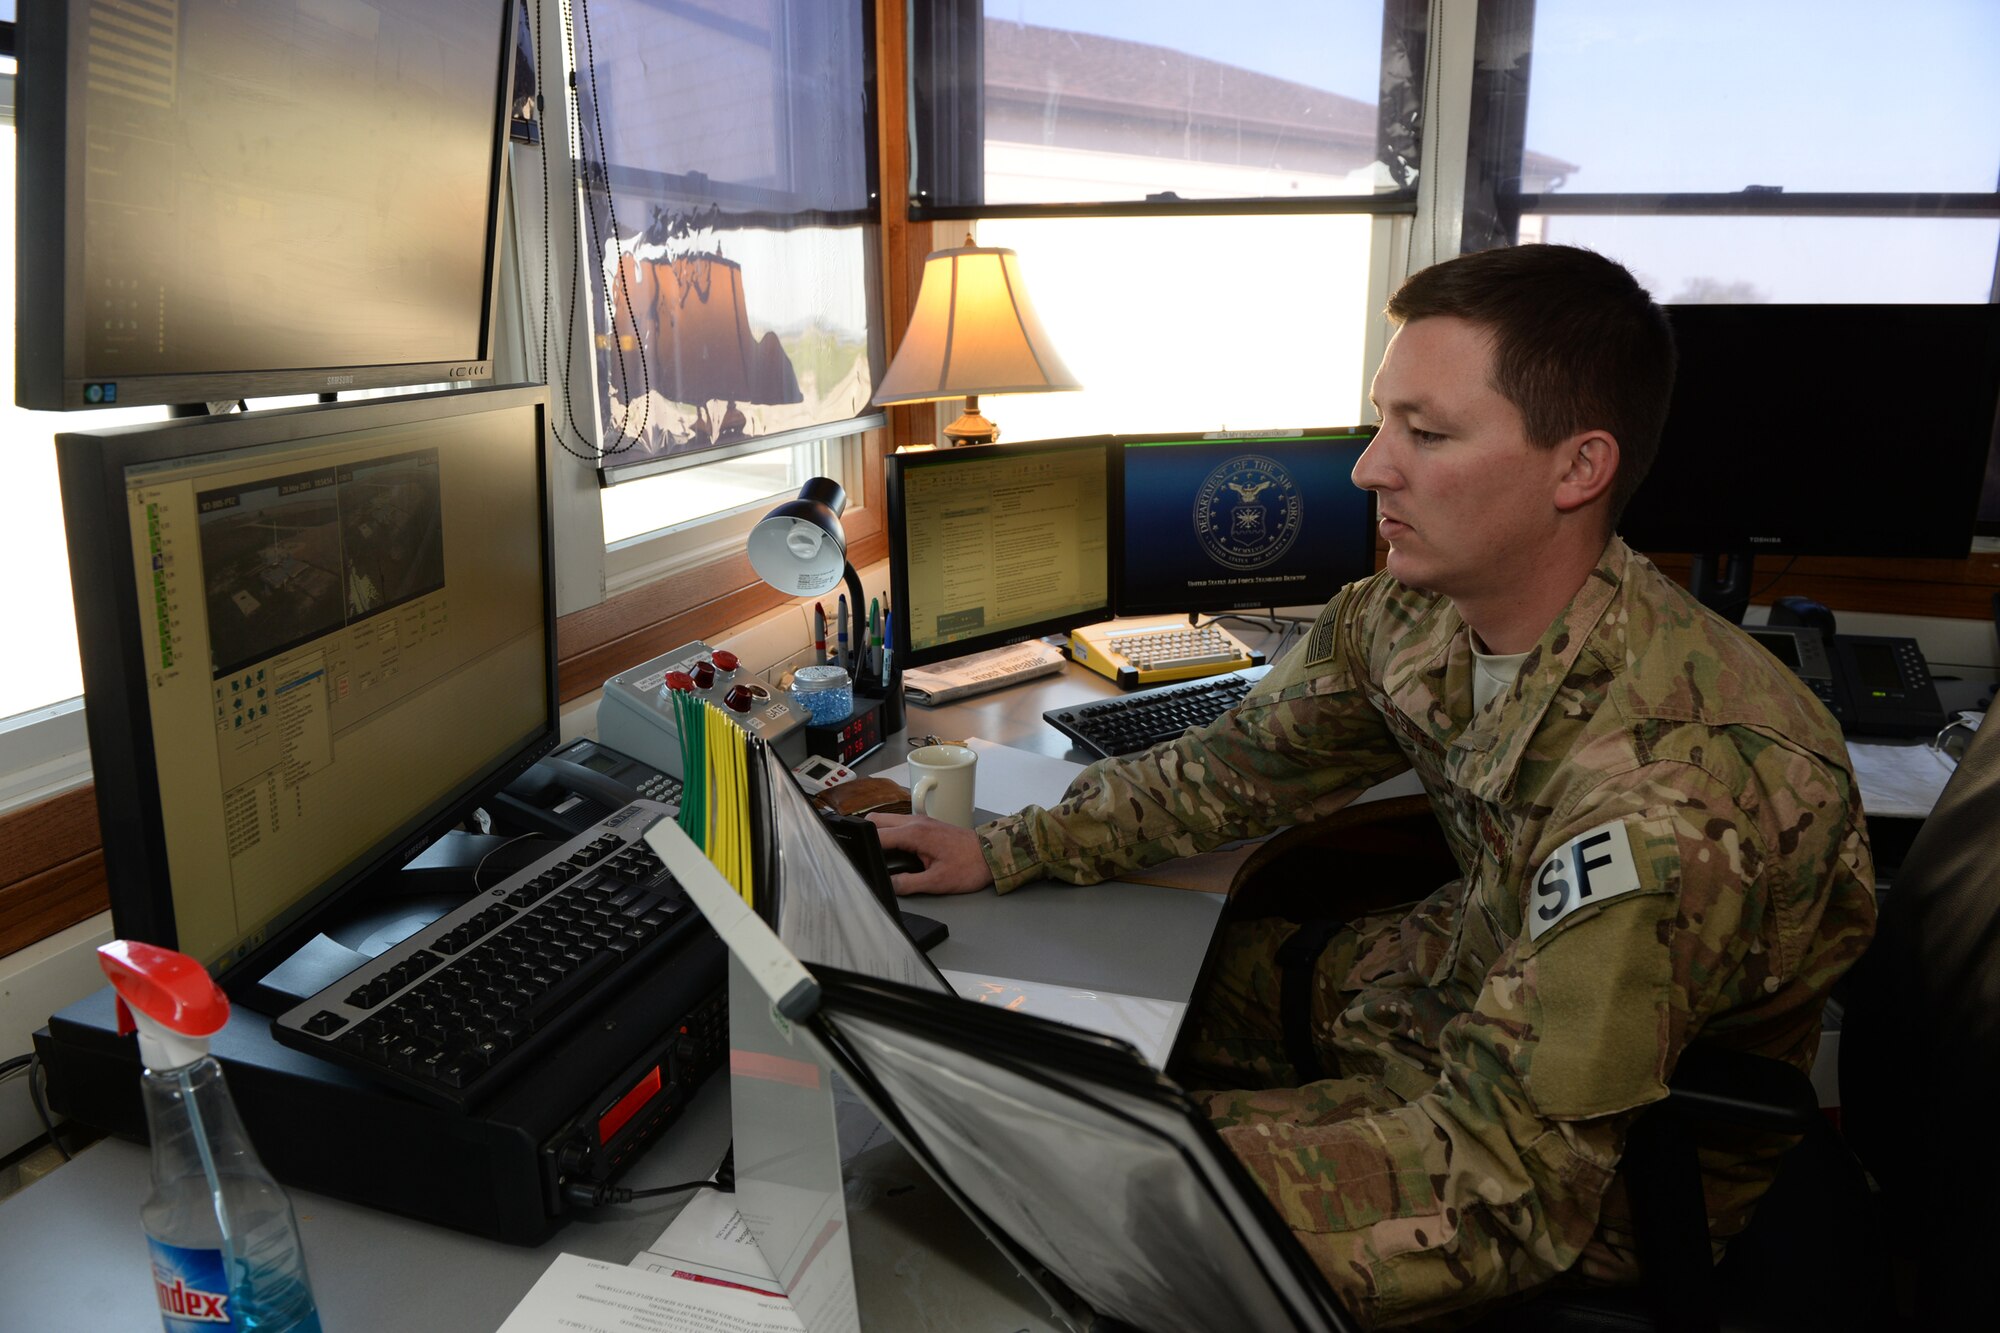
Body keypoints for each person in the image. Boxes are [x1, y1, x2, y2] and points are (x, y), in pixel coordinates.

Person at [872, 243, 1876, 1328]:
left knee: (1091, 1165)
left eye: (1425, 433)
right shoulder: (1415, 614)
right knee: (1055, 1030)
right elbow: (1228, 770)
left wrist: (1086, 1191)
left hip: (1601, 1166)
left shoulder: (1664, 797)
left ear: (1577, 468)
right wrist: (1005, 848)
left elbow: (1501, 1189)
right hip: (1449, 989)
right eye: (1382, 418)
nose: (1367, 468)